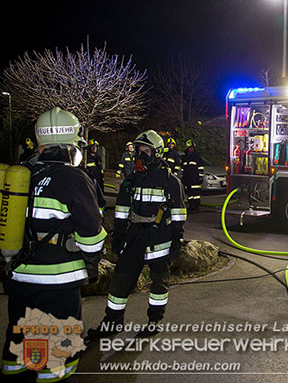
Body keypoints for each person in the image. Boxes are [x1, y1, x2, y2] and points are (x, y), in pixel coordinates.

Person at [2, 107, 106, 381]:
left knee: (21, 337)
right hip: (59, 281)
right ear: (73, 144)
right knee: (58, 351)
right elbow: (92, 235)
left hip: (19, 276)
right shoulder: (73, 178)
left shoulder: (21, 174)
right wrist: (94, 261)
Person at [86, 130, 186, 342]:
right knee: (121, 280)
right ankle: (112, 322)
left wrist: (176, 241)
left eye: (146, 151)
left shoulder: (170, 181)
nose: (142, 155)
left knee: (159, 284)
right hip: (135, 237)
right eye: (139, 151)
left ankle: (154, 320)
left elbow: (178, 216)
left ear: (157, 153)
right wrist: (118, 237)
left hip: (160, 237)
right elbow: (121, 212)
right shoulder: (131, 180)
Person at [181, 139, 205, 212]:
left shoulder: (196, 157)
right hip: (187, 179)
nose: (191, 149)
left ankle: (196, 206)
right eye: (190, 148)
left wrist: (200, 177)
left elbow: (201, 167)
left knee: (196, 194)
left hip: (195, 179)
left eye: (192, 147)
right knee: (189, 194)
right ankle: (191, 206)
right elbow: (183, 168)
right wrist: (183, 177)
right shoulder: (185, 157)